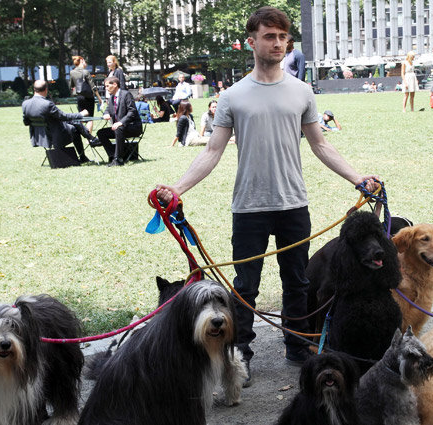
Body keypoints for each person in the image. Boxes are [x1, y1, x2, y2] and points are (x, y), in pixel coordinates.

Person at [155, 7, 378, 382]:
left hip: (294, 205)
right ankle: (239, 355)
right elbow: (212, 151)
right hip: (249, 209)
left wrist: (358, 177)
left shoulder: (301, 91)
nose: (278, 43)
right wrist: (177, 188)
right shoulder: (233, 97)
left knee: (298, 282)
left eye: (282, 37)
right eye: (269, 36)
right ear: (252, 41)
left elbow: (320, 145)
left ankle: (296, 346)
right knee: (244, 287)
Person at [22, 80, 95, 163]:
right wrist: (81, 114)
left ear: (34, 89)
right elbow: (64, 117)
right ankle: (88, 145)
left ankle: (90, 139)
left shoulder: (25, 104)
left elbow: (26, 122)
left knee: (73, 123)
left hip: (39, 136)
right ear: (46, 89)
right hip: (55, 135)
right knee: (74, 128)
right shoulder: (47, 104)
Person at [96, 76, 142, 166]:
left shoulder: (126, 94)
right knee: (101, 133)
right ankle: (113, 155)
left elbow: (132, 111)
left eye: (107, 86)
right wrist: (106, 113)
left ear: (115, 84)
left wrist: (121, 122)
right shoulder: (112, 98)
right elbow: (108, 109)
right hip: (119, 128)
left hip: (132, 126)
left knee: (119, 129)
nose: (106, 88)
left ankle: (119, 159)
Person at [70, 56, 103, 134]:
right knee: (90, 118)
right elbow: (93, 87)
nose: (86, 63)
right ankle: (89, 138)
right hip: (89, 97)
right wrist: (99, 98)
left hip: (79, 97)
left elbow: (71, 85)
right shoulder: (86, 72)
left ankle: (81, 134)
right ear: (81, 61)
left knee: (81, 117)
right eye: (85, 61)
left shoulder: (72, 72)